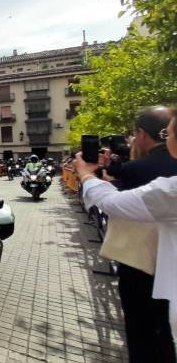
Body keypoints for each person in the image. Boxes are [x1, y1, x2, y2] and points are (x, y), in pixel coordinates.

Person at [75, 108, 177, 361]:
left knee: (144, 333)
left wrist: (86, 173)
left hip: (141, 265)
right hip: (161, 270)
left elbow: (113, 203)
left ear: (142, 134)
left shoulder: (143, 170)